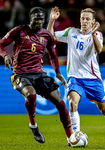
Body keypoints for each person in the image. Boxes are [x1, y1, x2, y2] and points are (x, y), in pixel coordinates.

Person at [47, 7, 105, 145]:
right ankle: (76, 134)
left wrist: (93, 34)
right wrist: (51, 21)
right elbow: (50, 36)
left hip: (93, 79)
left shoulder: (98, 35)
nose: (84, 21)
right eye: (82, 18)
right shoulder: (71, 32)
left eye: (87, 19)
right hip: (74, 77)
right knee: (72, 102)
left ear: (93, 22)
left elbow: (99, 49)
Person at [0, 7, 72, 145]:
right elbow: (1, 44)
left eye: (41, 18)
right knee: (31, 95)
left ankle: (70, 138)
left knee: (61, 104)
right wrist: (5, 55)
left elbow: (52, 55)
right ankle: (33, 125)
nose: (39, 21)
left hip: (39, 74)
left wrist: (58, 73)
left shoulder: (47, 35)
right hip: (21, 74)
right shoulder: (19, 31)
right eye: (36, 18)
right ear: (30, 18)